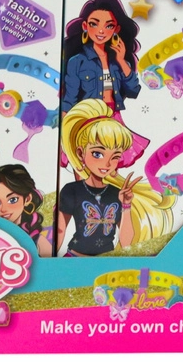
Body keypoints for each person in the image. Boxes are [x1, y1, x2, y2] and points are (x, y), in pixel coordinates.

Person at [57, 100, 173, 255]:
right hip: (74, 259)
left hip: (106, 263)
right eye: (97, 154)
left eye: (115, 157)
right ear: (80, 153)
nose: (107, 163)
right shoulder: (72, 190)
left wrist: (126, 205)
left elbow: (125, 242)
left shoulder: (116, 193)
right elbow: (59, 232)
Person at [0, 164, 53, 256]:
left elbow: (53, 264)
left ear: (27, 199)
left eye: (12, 200)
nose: (4, 209)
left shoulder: (38, 241)